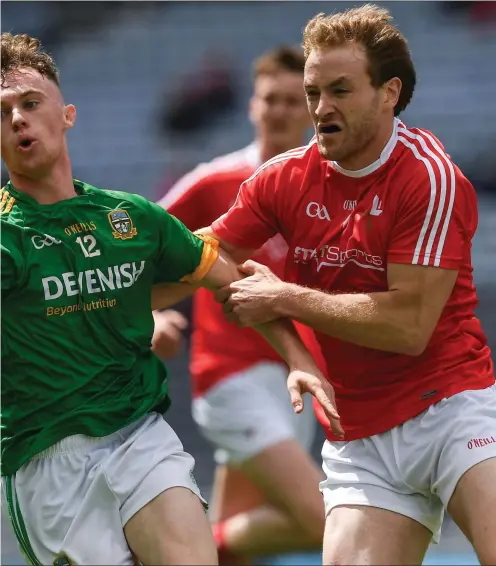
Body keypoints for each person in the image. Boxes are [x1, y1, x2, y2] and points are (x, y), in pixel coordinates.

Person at [0, 33, 336, 566]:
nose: (18, 118)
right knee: (327, 520)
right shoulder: (7, 237)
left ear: (66, 115)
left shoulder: (128, 216)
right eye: (3, 112)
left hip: (141, 433)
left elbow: (224, 275)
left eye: (31, 103)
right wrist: (148, 314)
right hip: (49, 454)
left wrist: (299, 359)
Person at [190, 5, 496, 565]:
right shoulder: (283, 178)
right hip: (360, 435)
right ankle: (215, 547)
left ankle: (217, 545)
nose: (321, 108)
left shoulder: (427, 175)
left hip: (450, 409)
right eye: (313, 93)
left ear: (389, 93)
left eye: (340, 90)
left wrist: (283, 297)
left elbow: (408, 327)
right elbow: (198, 254)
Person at [155, 46, 328, 563]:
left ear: (313, 110)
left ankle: (204, 551)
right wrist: (151, 311)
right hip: (230, 378)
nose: (280, 111)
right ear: (252, 106)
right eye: (270, 99)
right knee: (331, 519)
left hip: (296, 381)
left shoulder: (333, 188)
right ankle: (174, 552)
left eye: (293, 101)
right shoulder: (215, 182)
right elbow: (141, 247)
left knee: (235, 544)